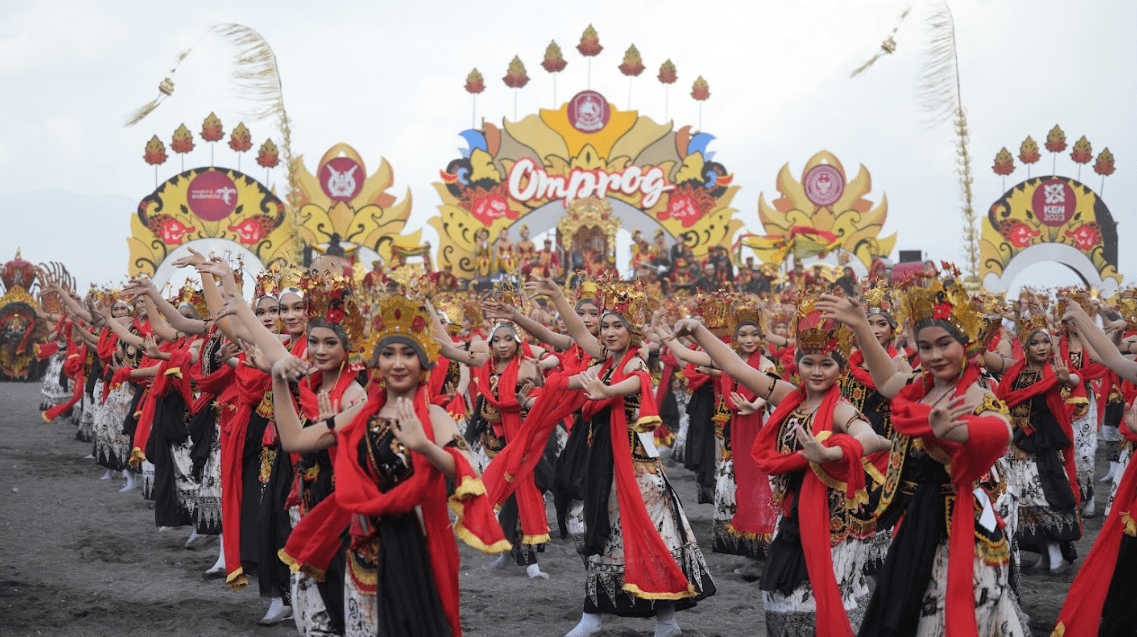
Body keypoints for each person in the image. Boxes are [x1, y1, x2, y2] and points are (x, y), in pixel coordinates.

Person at [257, 294, 507, 637]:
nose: (398, 363)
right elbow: (295, 441)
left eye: (408, 353)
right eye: (388, 353)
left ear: (423, 362)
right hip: (361, 546)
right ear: (376, 361)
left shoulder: (433, 416)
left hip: (413, 546)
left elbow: (468, 469)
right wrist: (278, 379)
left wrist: (423, 445)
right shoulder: (361, 414)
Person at [818, 277, 1026, 636]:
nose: (934, 356)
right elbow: (886, 384)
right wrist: (859, 324)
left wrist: (953, 432)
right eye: (926, 346)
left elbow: (998, 429)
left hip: (953, 526)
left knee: (940, 617)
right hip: (916, 520)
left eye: (945, 344)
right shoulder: (920, 385)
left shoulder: (974, 394)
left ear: (967, 343)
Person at [671, 295, 888, 636]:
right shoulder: (789, 396)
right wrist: (698, 330)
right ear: (798, 364)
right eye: (809, 363)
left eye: (827, 364)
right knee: (780, 599)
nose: (817, 371)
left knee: (822, 601)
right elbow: (735, 367)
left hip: (831, 523)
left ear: (840, 368)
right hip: (792, 515)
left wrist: (832, 453)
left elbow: (870, 436)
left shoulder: (840, 408)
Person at [994, 314, 1081, 574]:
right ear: (1026, 346)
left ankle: (1055, 555)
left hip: (1042, 445)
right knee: (1025, 502)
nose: (1042, 347)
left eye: (1046, 342)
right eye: (1036, 343)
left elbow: (1075, 380)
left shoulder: (1054, 370)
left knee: (1045, 499)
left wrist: (1067, 379)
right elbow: (1005, 402)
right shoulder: (1014, 372)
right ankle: (1045, 555)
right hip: (1017, 445)